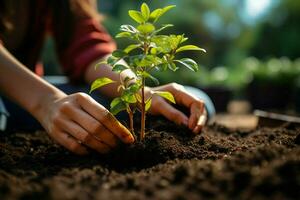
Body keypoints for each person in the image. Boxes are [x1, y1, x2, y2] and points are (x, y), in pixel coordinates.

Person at [0, 0, 215, 155]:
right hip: (25, 98)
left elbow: (89, 50)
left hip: (30, 101)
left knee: (186, 106)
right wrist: (45, 102)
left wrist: (141, 93)